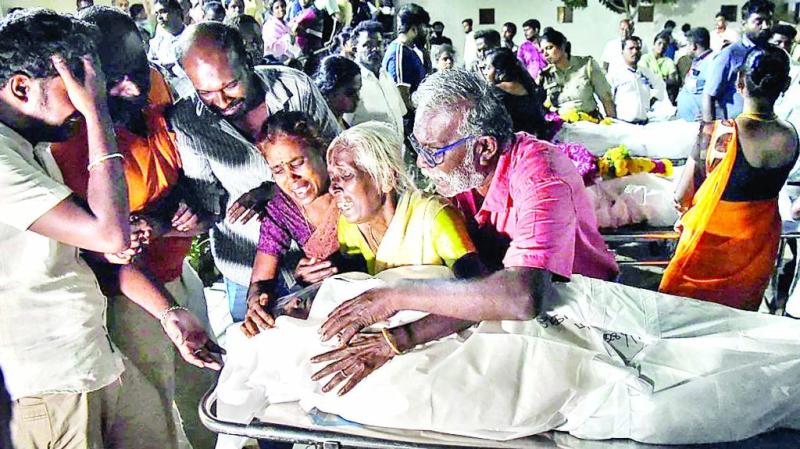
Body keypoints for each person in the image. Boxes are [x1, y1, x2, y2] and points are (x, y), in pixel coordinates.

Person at [311, 69, 618, 393]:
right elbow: (480, 289)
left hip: (582, 316)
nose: (423, 164)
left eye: (433, 151)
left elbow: (522, 296)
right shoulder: (464, 179)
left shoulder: (541, 173)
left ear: (484, 148)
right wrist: (395, 335)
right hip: (508, 309)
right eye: (418, 148)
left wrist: (395, 301)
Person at [0, 8, 193, 448]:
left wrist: (168, 313)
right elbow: (111, 235)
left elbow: (93, 253)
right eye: (79, 84)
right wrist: (96, 114)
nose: (95, 93)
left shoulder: (31, 144)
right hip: (50, 382)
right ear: (21, 87)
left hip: (93, 357)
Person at [49, 7, 220, 448]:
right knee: (154, 416)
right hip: (130, 297)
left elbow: (187, 174)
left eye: (137, 69)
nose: (134, 87)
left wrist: (171, 218)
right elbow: (104, 249)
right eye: (116, 80)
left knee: (207, 398)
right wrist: (163, 304)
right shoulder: (72, 137)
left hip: (180, 272)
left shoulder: (156, 86)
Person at [167, 21, 339, 321]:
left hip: (323, 258)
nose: (222, 101)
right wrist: (184, 216)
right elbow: (208, 204)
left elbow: (339, 159)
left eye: (230, 85)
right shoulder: (189, 120)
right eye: (206, 92)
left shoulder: (294, 88)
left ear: (248, 59)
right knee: (259, 338)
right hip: (246, 266)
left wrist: (275, 191)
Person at [662, 46, 797, 311]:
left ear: (739, 82)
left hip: (705, 252)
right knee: (736, 324)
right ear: (786, 84)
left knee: (682, 321)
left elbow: (681, 195)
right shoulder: (791, 136)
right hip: (756, 253)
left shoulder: (717, 134)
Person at [242, 111, 341, 337]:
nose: (290, 178)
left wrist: (333, 269)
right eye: (278, 170)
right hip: (330, 309)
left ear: (322, 151)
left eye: (297, 163)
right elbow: (261, 280)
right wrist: (257, 301)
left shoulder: (349, 188)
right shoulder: (282, 209)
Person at [704, 0, 774, 122]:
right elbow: (709, 95)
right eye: (759, 21)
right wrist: (710, 129)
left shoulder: (773, 54)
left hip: (767, 125)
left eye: (768, 21)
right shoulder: (731, 54)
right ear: (744, 23)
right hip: (737, 126)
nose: (765, 26)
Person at [539, 28, 616, 118]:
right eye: (542, 51)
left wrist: (611, 122)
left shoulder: (587, 65)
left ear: (562, 46)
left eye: (549, 48)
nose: (545, 54)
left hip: (588, 121)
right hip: (559, 123)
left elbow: (606, 98)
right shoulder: (546, 75)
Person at [346, 20, 406, 135]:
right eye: (368, 45)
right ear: (355, 49)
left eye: (379, 44)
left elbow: (400, 114)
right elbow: (343, 125)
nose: (375, 49)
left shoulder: (387, 77)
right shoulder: (350, 82)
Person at [482, 48, 549, 139]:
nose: (485, 72)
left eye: (488, 68)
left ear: (500, 70)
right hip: (534, 139)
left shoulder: (495, 91)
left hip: (511, 142)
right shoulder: (527, 86)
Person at [607, 36, 665, 124]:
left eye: (637, 49)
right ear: (622, 52)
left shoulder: (645, 72)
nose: (635, 51)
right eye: (631, 48)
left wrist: (651, 101)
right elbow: (606, 99)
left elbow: (660, 85)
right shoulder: (615, 74)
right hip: (623, 124)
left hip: (644, 124)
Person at [382, 3, 429, 110]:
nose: (426, 32)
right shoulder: (398, 53)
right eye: (424, 28)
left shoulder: (410, 51)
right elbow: (402, 99)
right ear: (414, 29)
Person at [677, 27, 715, 122]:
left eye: (686, 45)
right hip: (687, 121)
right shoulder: (697, 61)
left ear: (693, 46)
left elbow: (716, 91)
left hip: (700, 123)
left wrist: (708, 116)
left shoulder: (712, 62)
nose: (685, 48)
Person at [314, 55, 362, 129]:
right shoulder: (318, 128)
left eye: (359, 90)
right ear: (330, 92)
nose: (357, 97)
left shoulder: (341, 122)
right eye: (350, 93)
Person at [638, 31, 679, 103]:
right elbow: (644, 78)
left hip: (665, 96)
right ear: (654, 44)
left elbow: (673, 81)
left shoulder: (669, 61)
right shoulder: (645, 58)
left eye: (665, 44)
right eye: (659, 43)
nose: (662, 46)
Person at [149, 0, 186, 77]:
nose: (159, 17)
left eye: (163, 12)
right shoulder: (157, 42)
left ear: (177, 13)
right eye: (157, 14)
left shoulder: (192, 37)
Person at [289, 0, 326, 73]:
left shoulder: (315, 11)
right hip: (301, 52)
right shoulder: (296, 9)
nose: (303, 1)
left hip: (313, 51)